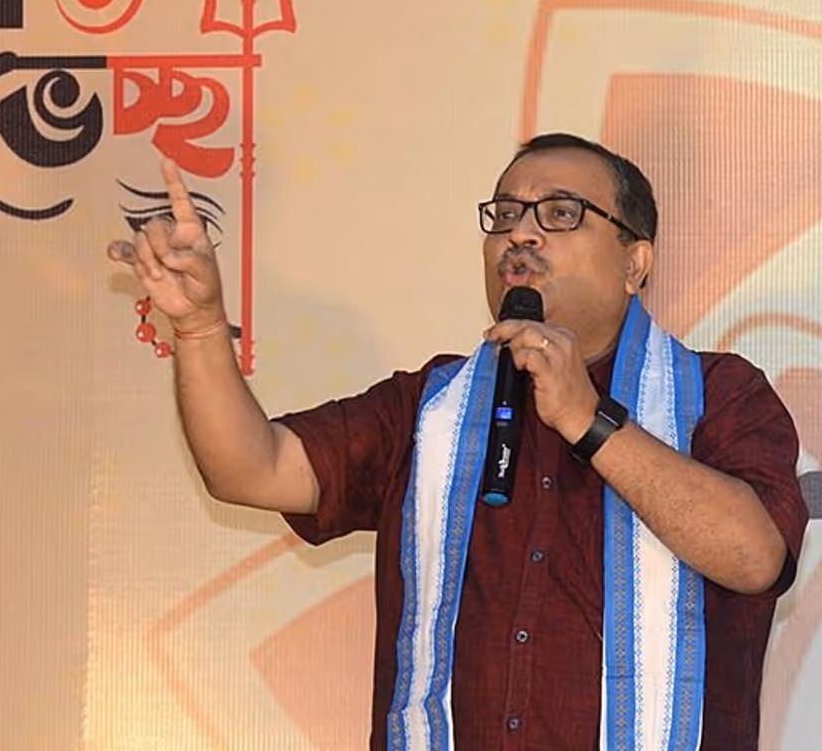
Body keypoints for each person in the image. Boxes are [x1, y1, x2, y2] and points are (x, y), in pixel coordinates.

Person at [107, 133, 809, 751]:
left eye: (560, 214)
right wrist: (199, 328)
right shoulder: (430, 406)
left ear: (635, 263)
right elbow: (253, 469)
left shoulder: (718, 395)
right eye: (505, 214)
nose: (520, 235)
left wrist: (588, 419)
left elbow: (755, 557)